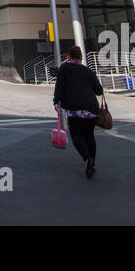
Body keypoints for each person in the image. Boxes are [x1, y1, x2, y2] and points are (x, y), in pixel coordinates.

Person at [53, 45, 104, 178]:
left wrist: (56, 101)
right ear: (81, 57)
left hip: (75, 108)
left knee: (76, 135)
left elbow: (60, 85)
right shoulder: (87, 70)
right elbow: (99, 90)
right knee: (89, 135)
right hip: (91, 108)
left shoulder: (65, 68)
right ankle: (92, 163)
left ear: (69, 56)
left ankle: (87, 159)